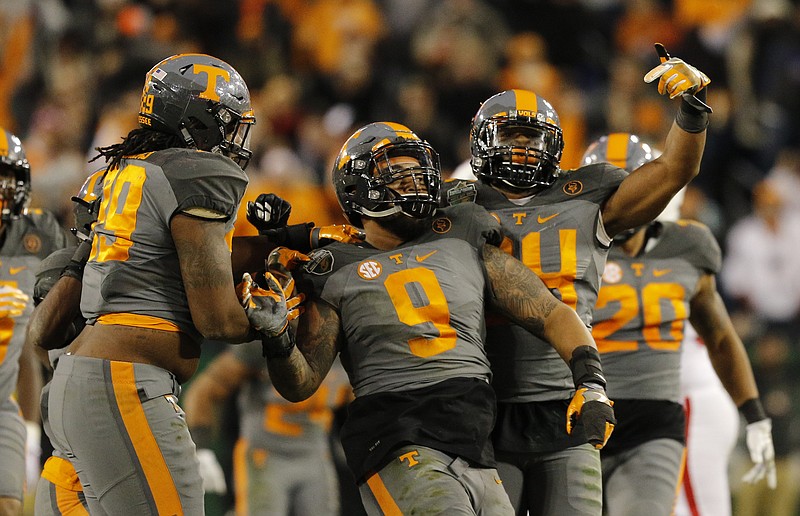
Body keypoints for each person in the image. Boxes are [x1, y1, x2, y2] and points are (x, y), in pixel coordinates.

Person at [254, 121, 615, 515]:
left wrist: (590, 380)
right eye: (398, 174)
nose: (416, 182)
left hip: (472, 438)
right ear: (359, 188)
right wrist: (278, 339)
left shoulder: (460, 234)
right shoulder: (332, 266)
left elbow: (550, 312)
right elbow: (301, 382)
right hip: (396, 436)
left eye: (417, 172)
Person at [439, 44, 712, 515]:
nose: (523, 148)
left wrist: (692, 110)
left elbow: (675, 169)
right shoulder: (453, 204)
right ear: (481, 141)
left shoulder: (586, 195)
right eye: (511, 137)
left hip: (569, 397)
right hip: (483, 403)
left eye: (532, 138)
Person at [42, 53, 281, 515]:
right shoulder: (196, 172)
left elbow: (176, 261)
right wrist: (271, 324)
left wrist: (274, 246)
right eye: (227, 124)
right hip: (125, 383)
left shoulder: (121, 171)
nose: (234, 138)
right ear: (198, 120)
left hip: (77, 380)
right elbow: (216, 320)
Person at [583, 133, 776, 515]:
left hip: (654, 422)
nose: (623, 200)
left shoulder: (687, 246)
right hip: (577, 419)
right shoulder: (563, 245)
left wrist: (754, 414)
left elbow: (719, 336)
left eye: (634, 186)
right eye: (610, 189)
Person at [183, 341, 352, 516]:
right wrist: (201, 446)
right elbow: (205, 390)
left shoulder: (349, 348)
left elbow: (361, 404)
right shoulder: (264, 344)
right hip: (265, 457)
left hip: (315, 457)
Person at [0, 127, 70, 515]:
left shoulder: (37, 235)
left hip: (5, 406)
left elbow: (29, 347)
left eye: (5, 177)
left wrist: (29, 436)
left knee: (12, 506)